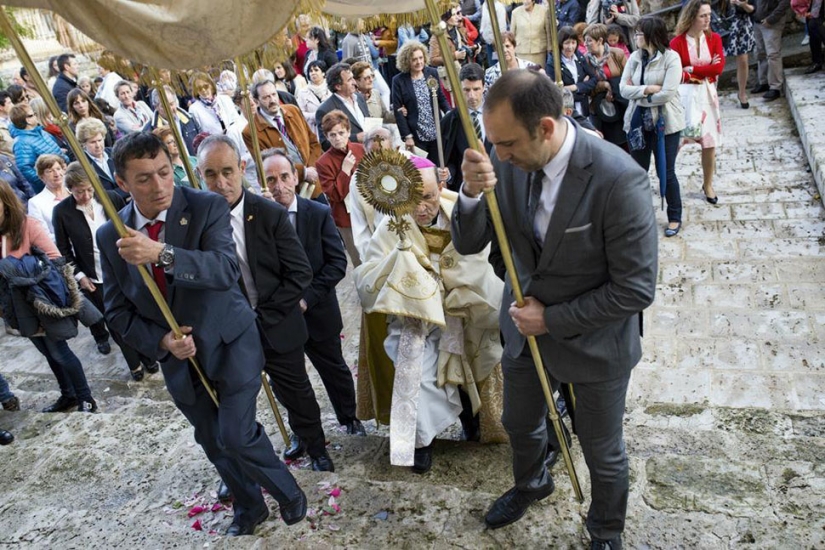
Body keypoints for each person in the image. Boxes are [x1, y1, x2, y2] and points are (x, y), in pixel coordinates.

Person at [451, 69, 657, 548]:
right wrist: (469, 192)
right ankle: (532, 482)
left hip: (595, 344)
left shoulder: (618, 178)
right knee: (520, 423)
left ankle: (605, 529)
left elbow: (636, 289)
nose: (497, 155)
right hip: (523, 335)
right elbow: (468, 242)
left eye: (507, 144)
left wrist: (553, 318)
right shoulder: (504, 161)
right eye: (493, 143)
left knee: (603, 452)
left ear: (546, 127)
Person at [97, 132, 308, 535]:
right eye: (144, 179)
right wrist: (161, 342)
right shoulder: (111, 235)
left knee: (236, 432)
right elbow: (117, 310)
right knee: (213, 440)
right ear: (122, 183)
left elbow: (225, 270)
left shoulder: (205, 206)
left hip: (231, 341)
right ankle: (249, 507)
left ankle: (287, 491)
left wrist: (162, 253)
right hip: (180, 359)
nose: (159, 186)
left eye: (164, 173)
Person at [354, 155, 506, 473]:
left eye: (428, 197)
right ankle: (421, 442)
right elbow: (368, 276)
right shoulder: (391, 224)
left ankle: (476, 424)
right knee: (413, 371)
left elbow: (480, 256)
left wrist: (453, 285)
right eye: (413, 199)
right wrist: (400, 265)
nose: (421, 208)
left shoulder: (459, 212)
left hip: (463, 307)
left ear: (441, 186)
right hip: (416, 317)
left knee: (477, 361)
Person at [263, 149, 364, 436]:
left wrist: (307, 298)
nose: (278, 186)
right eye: (271, 180)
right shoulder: (260, 219)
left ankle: (350, 418)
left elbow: (335, 264)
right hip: (281, 319)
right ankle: (304, 431)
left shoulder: (317, 213)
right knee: (287, 381)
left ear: (295, 177)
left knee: (334, 370)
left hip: (317, 312)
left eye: (284, 177)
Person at [0, 180, 99, 414]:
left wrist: (24, 270)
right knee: (47, 353)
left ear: (5, 203)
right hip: (17, 308)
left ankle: (86, 398)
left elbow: (56, 261)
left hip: (43, 304)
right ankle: (68, 395)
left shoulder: (28, 226)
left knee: (60, 352)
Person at [53, 162, 160, 378]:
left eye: (89, 190)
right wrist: (80, 276)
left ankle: (148, 357)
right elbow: (63, 250)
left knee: (140, 313)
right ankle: (134, 364)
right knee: (117, 321)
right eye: (79, 191)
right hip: (95, 278)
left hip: (125, 268)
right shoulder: (62, 212)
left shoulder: (110, 198)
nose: (85, 195)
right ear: (70, 189)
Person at [621, 16, 686, 237]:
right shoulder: (634, 58)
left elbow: (668, 93)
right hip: (638, 123)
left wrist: (637, 93)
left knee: (666, 171)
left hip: (665, 124)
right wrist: (648, 90)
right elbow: (623, 89)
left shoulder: (671, 58)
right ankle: (638, 218)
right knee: (637, 172)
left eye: (638, 33)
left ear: (649, 36)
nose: (636, 37)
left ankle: (674, 216)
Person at [672, 0, 724, 204]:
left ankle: (708, 183)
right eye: (703, 15)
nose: (708, 19)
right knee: (675, 142)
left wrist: (692, 70)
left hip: (707, 97)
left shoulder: (715, 39)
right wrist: (704, 70)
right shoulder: (677, 42)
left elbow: (718, 69)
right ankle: (667, 181)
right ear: (692, 16)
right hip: (684, 98)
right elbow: (676, 73)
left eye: (709, 14)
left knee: (709, 143)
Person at [243, 80, 322, 195]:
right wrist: (303, 172)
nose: (272, 100)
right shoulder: (250, 132)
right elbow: (266, 164)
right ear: (256, 101)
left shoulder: (293, 111)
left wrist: (312, 169)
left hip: (314, 183)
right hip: (287, 191)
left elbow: (313, 142)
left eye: (274, 94)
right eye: (266, 97)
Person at [315, 110, 366, 267]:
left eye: (341, 133)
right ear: (327, 137)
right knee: (358, 258)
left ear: (348, 132)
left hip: (368, 209)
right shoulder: (323, 162)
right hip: (346, 218)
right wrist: (344, 171)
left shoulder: (360, 149)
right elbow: (334, 195)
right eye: (332, 135)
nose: (337, 138)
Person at [391, 41, 450, 162]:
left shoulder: (432, 73)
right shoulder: (398, 81)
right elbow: (398, 111)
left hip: (436, 132)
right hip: (416, 134)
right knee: (422, 170)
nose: (419, 62)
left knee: (438, 167)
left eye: (421, 58)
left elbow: (441, 98)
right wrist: (407, 136)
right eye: (414, 59)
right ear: (407, 61)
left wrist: (450, 114)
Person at [442, 63, 492, 192]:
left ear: (484, 87)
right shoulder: (451, 121)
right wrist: (448, 174)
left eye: (476, 89)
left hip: (496, 187)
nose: (472, 96)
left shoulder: (497, 115)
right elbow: (450, 159)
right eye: (467, 90)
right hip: (466, 189)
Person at [582, 23, 629, 147]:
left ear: (600, 41)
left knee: (623, 143)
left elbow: (629, 79)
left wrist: (612, 88)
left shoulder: (617, 54)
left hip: (620, 104)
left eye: (589, 41)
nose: (585, 44)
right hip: (598, 108)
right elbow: (586, 86)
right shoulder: (585, 60)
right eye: (585, 41)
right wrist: (604, 85)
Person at [10, 104, 67, 193]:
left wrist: (66, 163)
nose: (37, 116)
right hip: (52, 188)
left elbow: (58, 151)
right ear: (27, 120)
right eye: (34, 114)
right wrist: (47, 181)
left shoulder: (42, 132)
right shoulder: (21, 143)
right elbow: (25, 169)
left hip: (63, 178)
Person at [315, 63, 371, 151]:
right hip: (349, 158)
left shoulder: (359, 97)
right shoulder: (325, 110)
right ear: (338, 86)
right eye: (349, 80)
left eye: (353, 78)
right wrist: (355, 138)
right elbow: (325, 144)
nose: (354, 82)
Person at [547, 27, 599, 117]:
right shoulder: (553, 63)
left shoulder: (579, 56)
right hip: (565, 110)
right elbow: (554, 90)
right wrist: (583, 85)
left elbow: (594, 79)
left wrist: (575, 87)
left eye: (573, 43)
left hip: (583, 106)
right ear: (560, 44)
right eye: (567, 43)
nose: (570, 47)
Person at [76, 118, 126, 197]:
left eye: (100, 140)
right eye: (93, 142)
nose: (98, 145)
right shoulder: (81, 165)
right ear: (83, 144)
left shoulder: (114, 152)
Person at [751, 0, 791, 100]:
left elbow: (785, 2)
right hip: (757, 21)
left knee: (773, 54)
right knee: (760, 52)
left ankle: (775, 87)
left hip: (772, 22)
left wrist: (771, 19)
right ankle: (763, 82)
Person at [146, 85, 201, 156]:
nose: (169, 109)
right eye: (164, 106)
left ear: (176, 102)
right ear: (156, 107)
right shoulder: (150, 130)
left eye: (171, 104)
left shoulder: (190, 119)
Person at [27, 154, 69, 242]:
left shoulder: (75, 192)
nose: (57, 174)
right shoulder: (36, 203)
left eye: (58, 169)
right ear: (42, 176)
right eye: (50, 171)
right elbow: (43, 237)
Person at [296, 60, 332, 137]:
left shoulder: (331, 88)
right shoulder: (302, 92)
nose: (313, 73)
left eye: (316, 70)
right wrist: (315, 116)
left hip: (332, 126)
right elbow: (300, 113)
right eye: (311, 71)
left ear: (323, 73)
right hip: (314, 130)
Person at [510, 0, 551, 66]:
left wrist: (549, 47)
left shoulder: (543, 11)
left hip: (539, 51)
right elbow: (512, 33)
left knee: (538, 74)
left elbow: (548, 31)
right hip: (521, 51)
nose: (525, 1)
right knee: (523, 74)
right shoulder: (515, 12)